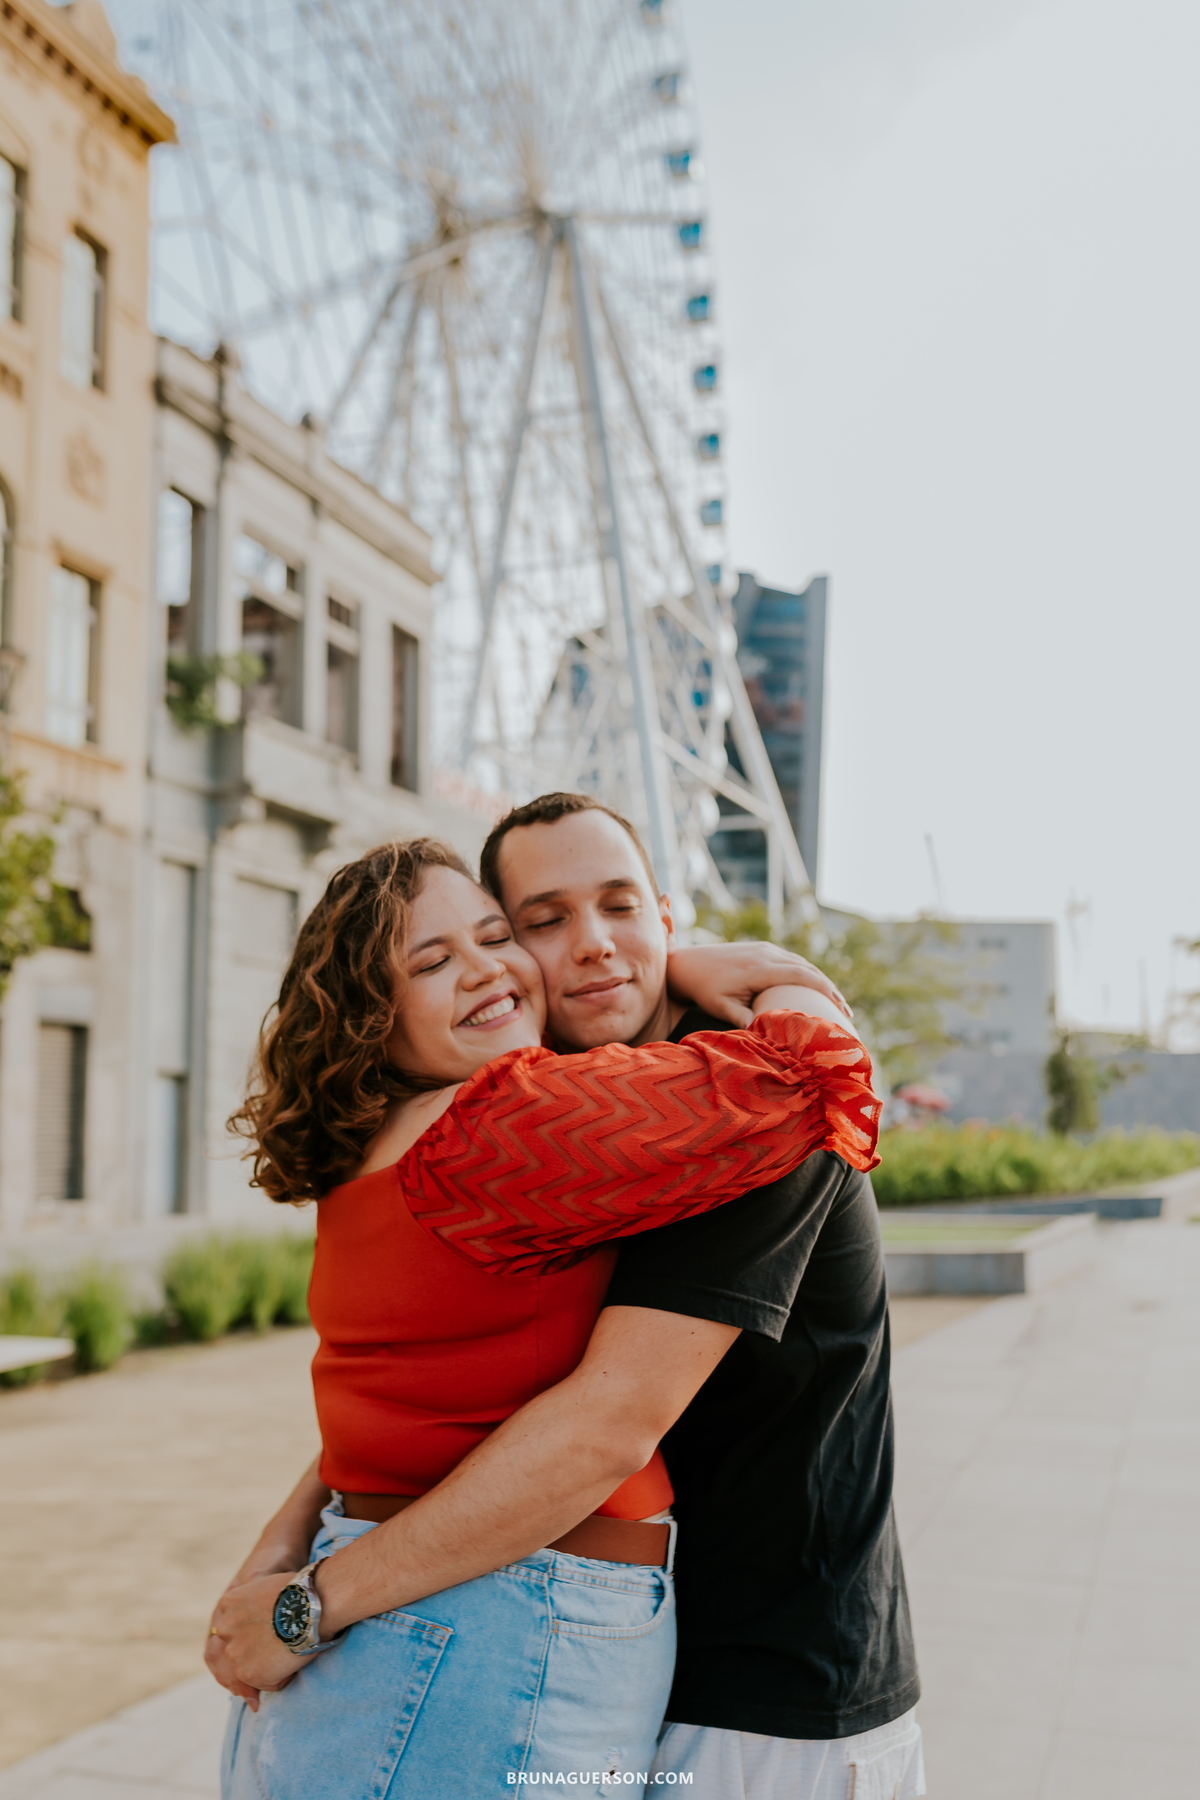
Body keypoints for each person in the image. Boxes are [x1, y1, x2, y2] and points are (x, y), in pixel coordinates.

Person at [211, 833, 880, 1799]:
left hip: (430, 1621)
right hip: (498, 1625)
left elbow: (418, 1400)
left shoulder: (390, 1146)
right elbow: (806, 1079)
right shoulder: (504, 1125)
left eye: (493, 936)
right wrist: (752, 970)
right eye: (433, 963)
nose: (487, 970)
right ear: (373, 1020)